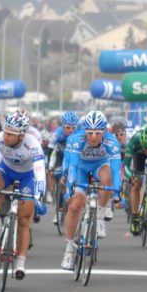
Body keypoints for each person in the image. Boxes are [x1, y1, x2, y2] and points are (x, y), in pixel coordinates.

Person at [0, 111, 47, 279]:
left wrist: (40, 195)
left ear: (22, 135)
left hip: (27, 176)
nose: (6, 137)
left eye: (11, 134)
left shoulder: (33, 144)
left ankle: (21, 261)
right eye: (5, 132)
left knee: (25, 219)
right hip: (6, 170)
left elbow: (40, 173)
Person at [60, 111, 121, 270]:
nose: (93, 137)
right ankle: (69, 249)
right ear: (84, 131)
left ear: (104, 131)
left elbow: (116, 170)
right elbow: (72, 166)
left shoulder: (111, 141)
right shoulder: (75, 139)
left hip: (100, 165)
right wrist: (69, 189)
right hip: (81, 168)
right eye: (90, 133)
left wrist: (118, 192)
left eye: (97, 133)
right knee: (74, 207)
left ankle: (99, 216)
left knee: (107, 180)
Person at [123, 126, 147, 235]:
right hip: (139, 155)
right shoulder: (134, 141)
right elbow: (125, 166)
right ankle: (135, 218)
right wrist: (131, 176)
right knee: (137, 184)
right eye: (146, 147)